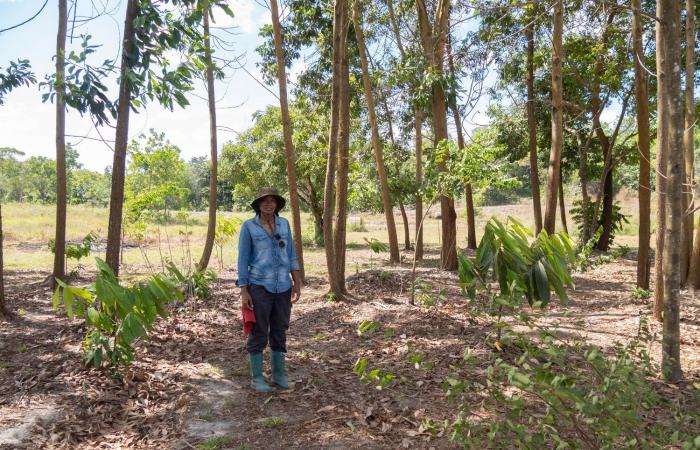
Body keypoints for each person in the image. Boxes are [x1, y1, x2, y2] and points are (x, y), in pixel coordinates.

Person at [237, 188, 302, 392]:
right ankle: (257, 378)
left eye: (272, 201)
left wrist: (296, 281)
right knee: (258, 331)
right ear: (258, 205)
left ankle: (278, 376)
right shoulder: (249, 227)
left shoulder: (284, 224)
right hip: (259, 286)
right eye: (264, 201)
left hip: (283, 286)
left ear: (277, 204)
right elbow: (243, 259)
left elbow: (291, 252)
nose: (268, 204)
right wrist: (244, 290)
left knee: (280, 330)